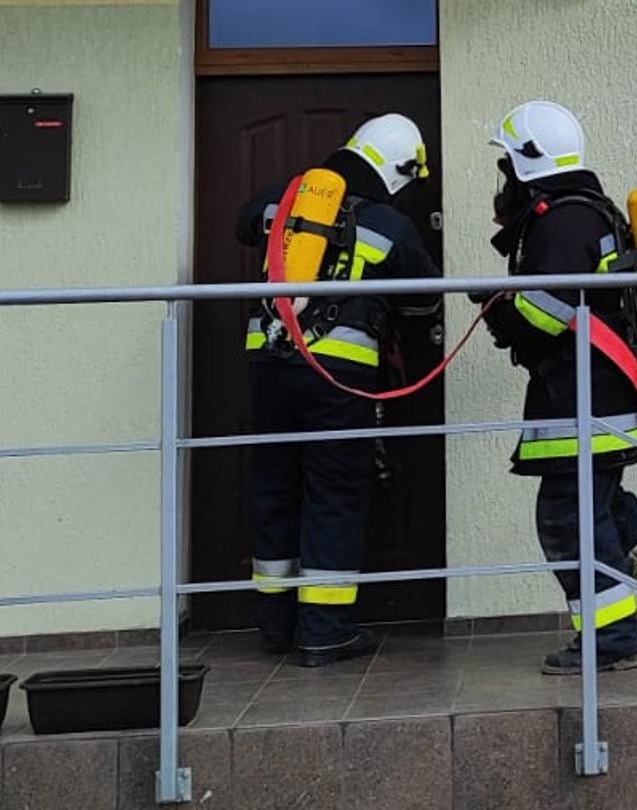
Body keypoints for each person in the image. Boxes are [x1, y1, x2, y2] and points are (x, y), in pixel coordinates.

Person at [479, 99, 637, 674]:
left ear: (527, 162)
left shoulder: (560, 219)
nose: (503, 177)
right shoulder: (588, 210)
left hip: (579, 396)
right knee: (603, 502)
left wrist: (497, 314)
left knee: (566, 518)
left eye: (507, 162)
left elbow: (542, 314)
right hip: (606, 390)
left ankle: (610, 639)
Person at [235, 113, 441, 667]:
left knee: (274, 486)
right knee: (334, 494)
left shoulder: (281, 198)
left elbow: (242, 224)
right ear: (399, 172)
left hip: (268, 367)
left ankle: (274, 623)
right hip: (338, 379)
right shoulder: (390, 225)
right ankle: (324, 631)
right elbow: (424, 300)